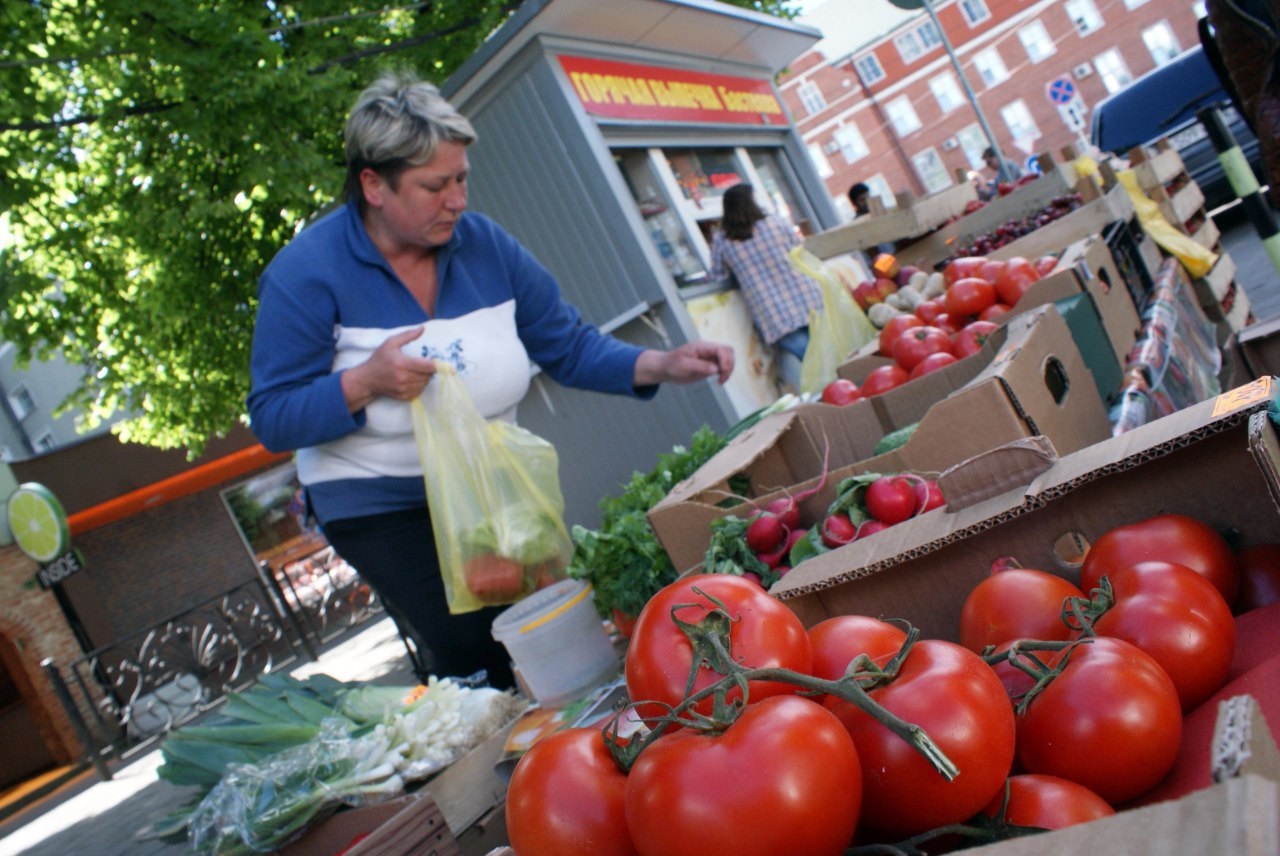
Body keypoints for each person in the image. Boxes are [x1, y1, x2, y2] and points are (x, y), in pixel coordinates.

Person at [246, 70, 734, 691]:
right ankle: (504, 777)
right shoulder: (305, 274)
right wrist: (364, 381)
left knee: (553, 626)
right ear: (373, 184)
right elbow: (272, 416)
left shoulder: (484, 247)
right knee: (472, 648)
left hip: (490, 489)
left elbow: (566, 345)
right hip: (379, 506)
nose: (457, 200)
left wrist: (660, 364)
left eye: (461, 179)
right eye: (433, 186)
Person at [709, 184, 822, 391]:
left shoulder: (722, 242)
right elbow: (799, 252)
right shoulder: (776, 223)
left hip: (773, 313)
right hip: (807, 297)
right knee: (824, 351)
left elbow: (717, 276)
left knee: (807, 359)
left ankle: (826, 399)